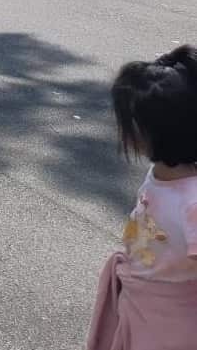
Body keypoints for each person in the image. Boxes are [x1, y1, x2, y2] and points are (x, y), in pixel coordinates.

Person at [86, 45, 197, 349]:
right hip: (141, 304)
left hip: (172, 328)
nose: (125, 131)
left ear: (157, 131)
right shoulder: (161, 174)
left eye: (130, 123)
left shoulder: (192, 203)